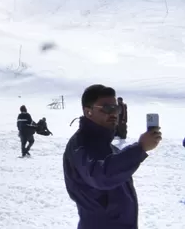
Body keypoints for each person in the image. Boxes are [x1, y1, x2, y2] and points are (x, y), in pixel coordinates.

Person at [64, 84, 160, 227]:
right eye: (107, 108)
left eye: (116, 108)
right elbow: (101, 176)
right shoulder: (81, 146)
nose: (114, 113)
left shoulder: (108, 146)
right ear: (88, 111)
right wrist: (139, 148)